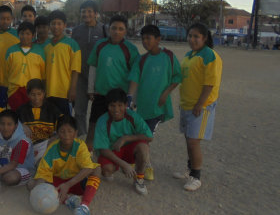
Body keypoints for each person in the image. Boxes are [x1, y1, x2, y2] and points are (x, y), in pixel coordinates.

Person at [127, 24, 182, 180]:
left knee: (146, 136)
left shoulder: (169, 56)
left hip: (158, 107)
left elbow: (176, 77)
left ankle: (146, 167)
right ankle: (142, 162)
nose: (145, 42)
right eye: (143, 38)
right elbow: (134, 80)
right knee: (140, 135)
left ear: (158, 39)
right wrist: (130, 98)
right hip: (143, 107)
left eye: (148, 38)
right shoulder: (142, 59)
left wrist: (165, 93)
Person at [173, 23, 222, 192]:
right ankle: (190, 169)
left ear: (204, 38)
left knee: (194, 142)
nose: (192, 39)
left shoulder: (209, 55)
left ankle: (196, 176)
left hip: (200, 106)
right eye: (190, 36)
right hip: (187, 104)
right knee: (189, 140)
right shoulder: (189, 55)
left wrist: (200, 104)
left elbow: (210, 84)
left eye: (196, 36)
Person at [28, 115, 101, 215]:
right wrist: (40, 191)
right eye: (62, 132)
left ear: (76, 133)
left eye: (70, 131)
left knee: (96, 168)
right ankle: (67, 200)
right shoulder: (52, 149)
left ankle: (84, 206)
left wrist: (68, 184)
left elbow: (88, 167)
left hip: (76, 181)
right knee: (32, 184)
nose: (66, 135)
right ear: (57, 134)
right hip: (58, 185)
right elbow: (43, 174)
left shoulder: (80, 146)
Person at [86, 15, 139, 148]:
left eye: (121, 29)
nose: (117, 31)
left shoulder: (130, 49)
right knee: (93, 127)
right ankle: (87, 157)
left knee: (118, 130)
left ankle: (117, 159)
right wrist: (90, 89)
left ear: (125, 31)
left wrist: (132, 99)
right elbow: (93, 66)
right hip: (101, 94)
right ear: (109, 29)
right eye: (114, 28)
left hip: (119, 98)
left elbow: (136, 75)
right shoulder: (100, 44)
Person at [93, 88, 153, 196]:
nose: (116, 109)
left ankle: (139, 179)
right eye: (112, 105)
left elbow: (149, 136)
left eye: (120, 105)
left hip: (129, 149)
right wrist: (123, 164)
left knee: (144, 148)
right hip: (113, 151)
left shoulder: (133, 117)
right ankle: (121, 166)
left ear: (126, 105)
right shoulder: (102, 121)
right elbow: (102, 149)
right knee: (106, 172)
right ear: (107, 106)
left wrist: (125, 138)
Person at [71, 0, 105, 137]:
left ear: (96, 14)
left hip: (99, 78)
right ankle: (82, 139)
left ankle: (99, 139)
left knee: (100, 112)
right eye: (83, 11)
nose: (86, 14)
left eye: (90, 11)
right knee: (79, 111)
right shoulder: (76, 31)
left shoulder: (104, 30)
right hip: (80, 76)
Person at [44, 10, 81, 116]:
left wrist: (73, 89)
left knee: (64, 124)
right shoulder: (46, 45)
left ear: (64, 25)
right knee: (50, 124)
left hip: (65, 92)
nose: (56, 26)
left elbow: (75, 70)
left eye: (59, 23)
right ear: (49, 26)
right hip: (48, 92)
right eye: (53, 23)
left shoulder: (72, 45)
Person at [17, 79, 62, 163]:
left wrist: (55, 137)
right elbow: (10, 123)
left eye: (39, 94)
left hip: (47, 145)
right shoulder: (22, 110)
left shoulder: (52, 109)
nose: (36, 98)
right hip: (29, 147)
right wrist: (21, 125)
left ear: (44, 93)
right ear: (28, 95)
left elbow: (65, 125)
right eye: (33, 94)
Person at [5, 21, 46, 111]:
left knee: (31, 118)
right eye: (22, 33)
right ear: (18, 34)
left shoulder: (40, 51)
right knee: (15, 118)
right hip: (14, 90)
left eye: (28, 33)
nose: (24, 36)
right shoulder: (11, 51)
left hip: (33, 92)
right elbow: (7, 72)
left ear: (33, 35)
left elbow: (43, 74)